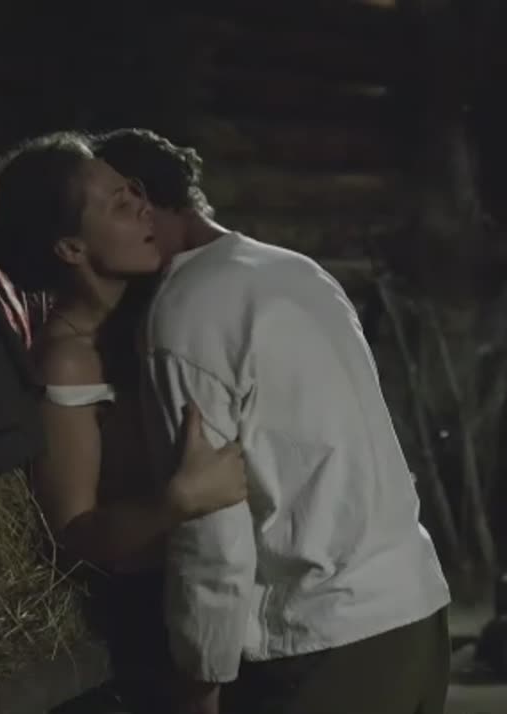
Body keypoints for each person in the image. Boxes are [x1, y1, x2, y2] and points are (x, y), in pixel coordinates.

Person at [93, 128, 452, 714]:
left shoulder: (184, 315)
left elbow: (211, 525)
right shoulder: (293, 270)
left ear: (139, 199)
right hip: (413, 608)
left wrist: (202, 675)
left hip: (324, 639)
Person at [0, 131, 249, 711]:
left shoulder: (157, 312)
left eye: (134, 191)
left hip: (216, 593)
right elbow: (74, 536)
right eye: (117, 205)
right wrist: (177, 502)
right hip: (145, 622)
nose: (142, 208)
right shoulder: (69, 360)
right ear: (70, 248)